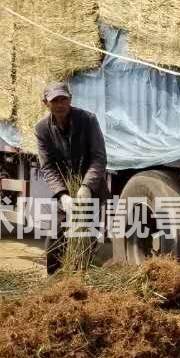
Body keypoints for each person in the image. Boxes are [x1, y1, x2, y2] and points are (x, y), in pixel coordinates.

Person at [34, 82, 108, 275]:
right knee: (56, 239)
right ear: (45, 103)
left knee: (85, 240)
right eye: (55, 101)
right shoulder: (42, 129)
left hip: (89, 192)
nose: (60, 104)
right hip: (65, 193)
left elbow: (99, 157)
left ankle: (81, 281)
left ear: (70, 99)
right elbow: (48, 166)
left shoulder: (88, 120)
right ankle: (54, 283)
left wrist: (86, 186)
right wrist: (63, 195)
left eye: (64, 99)